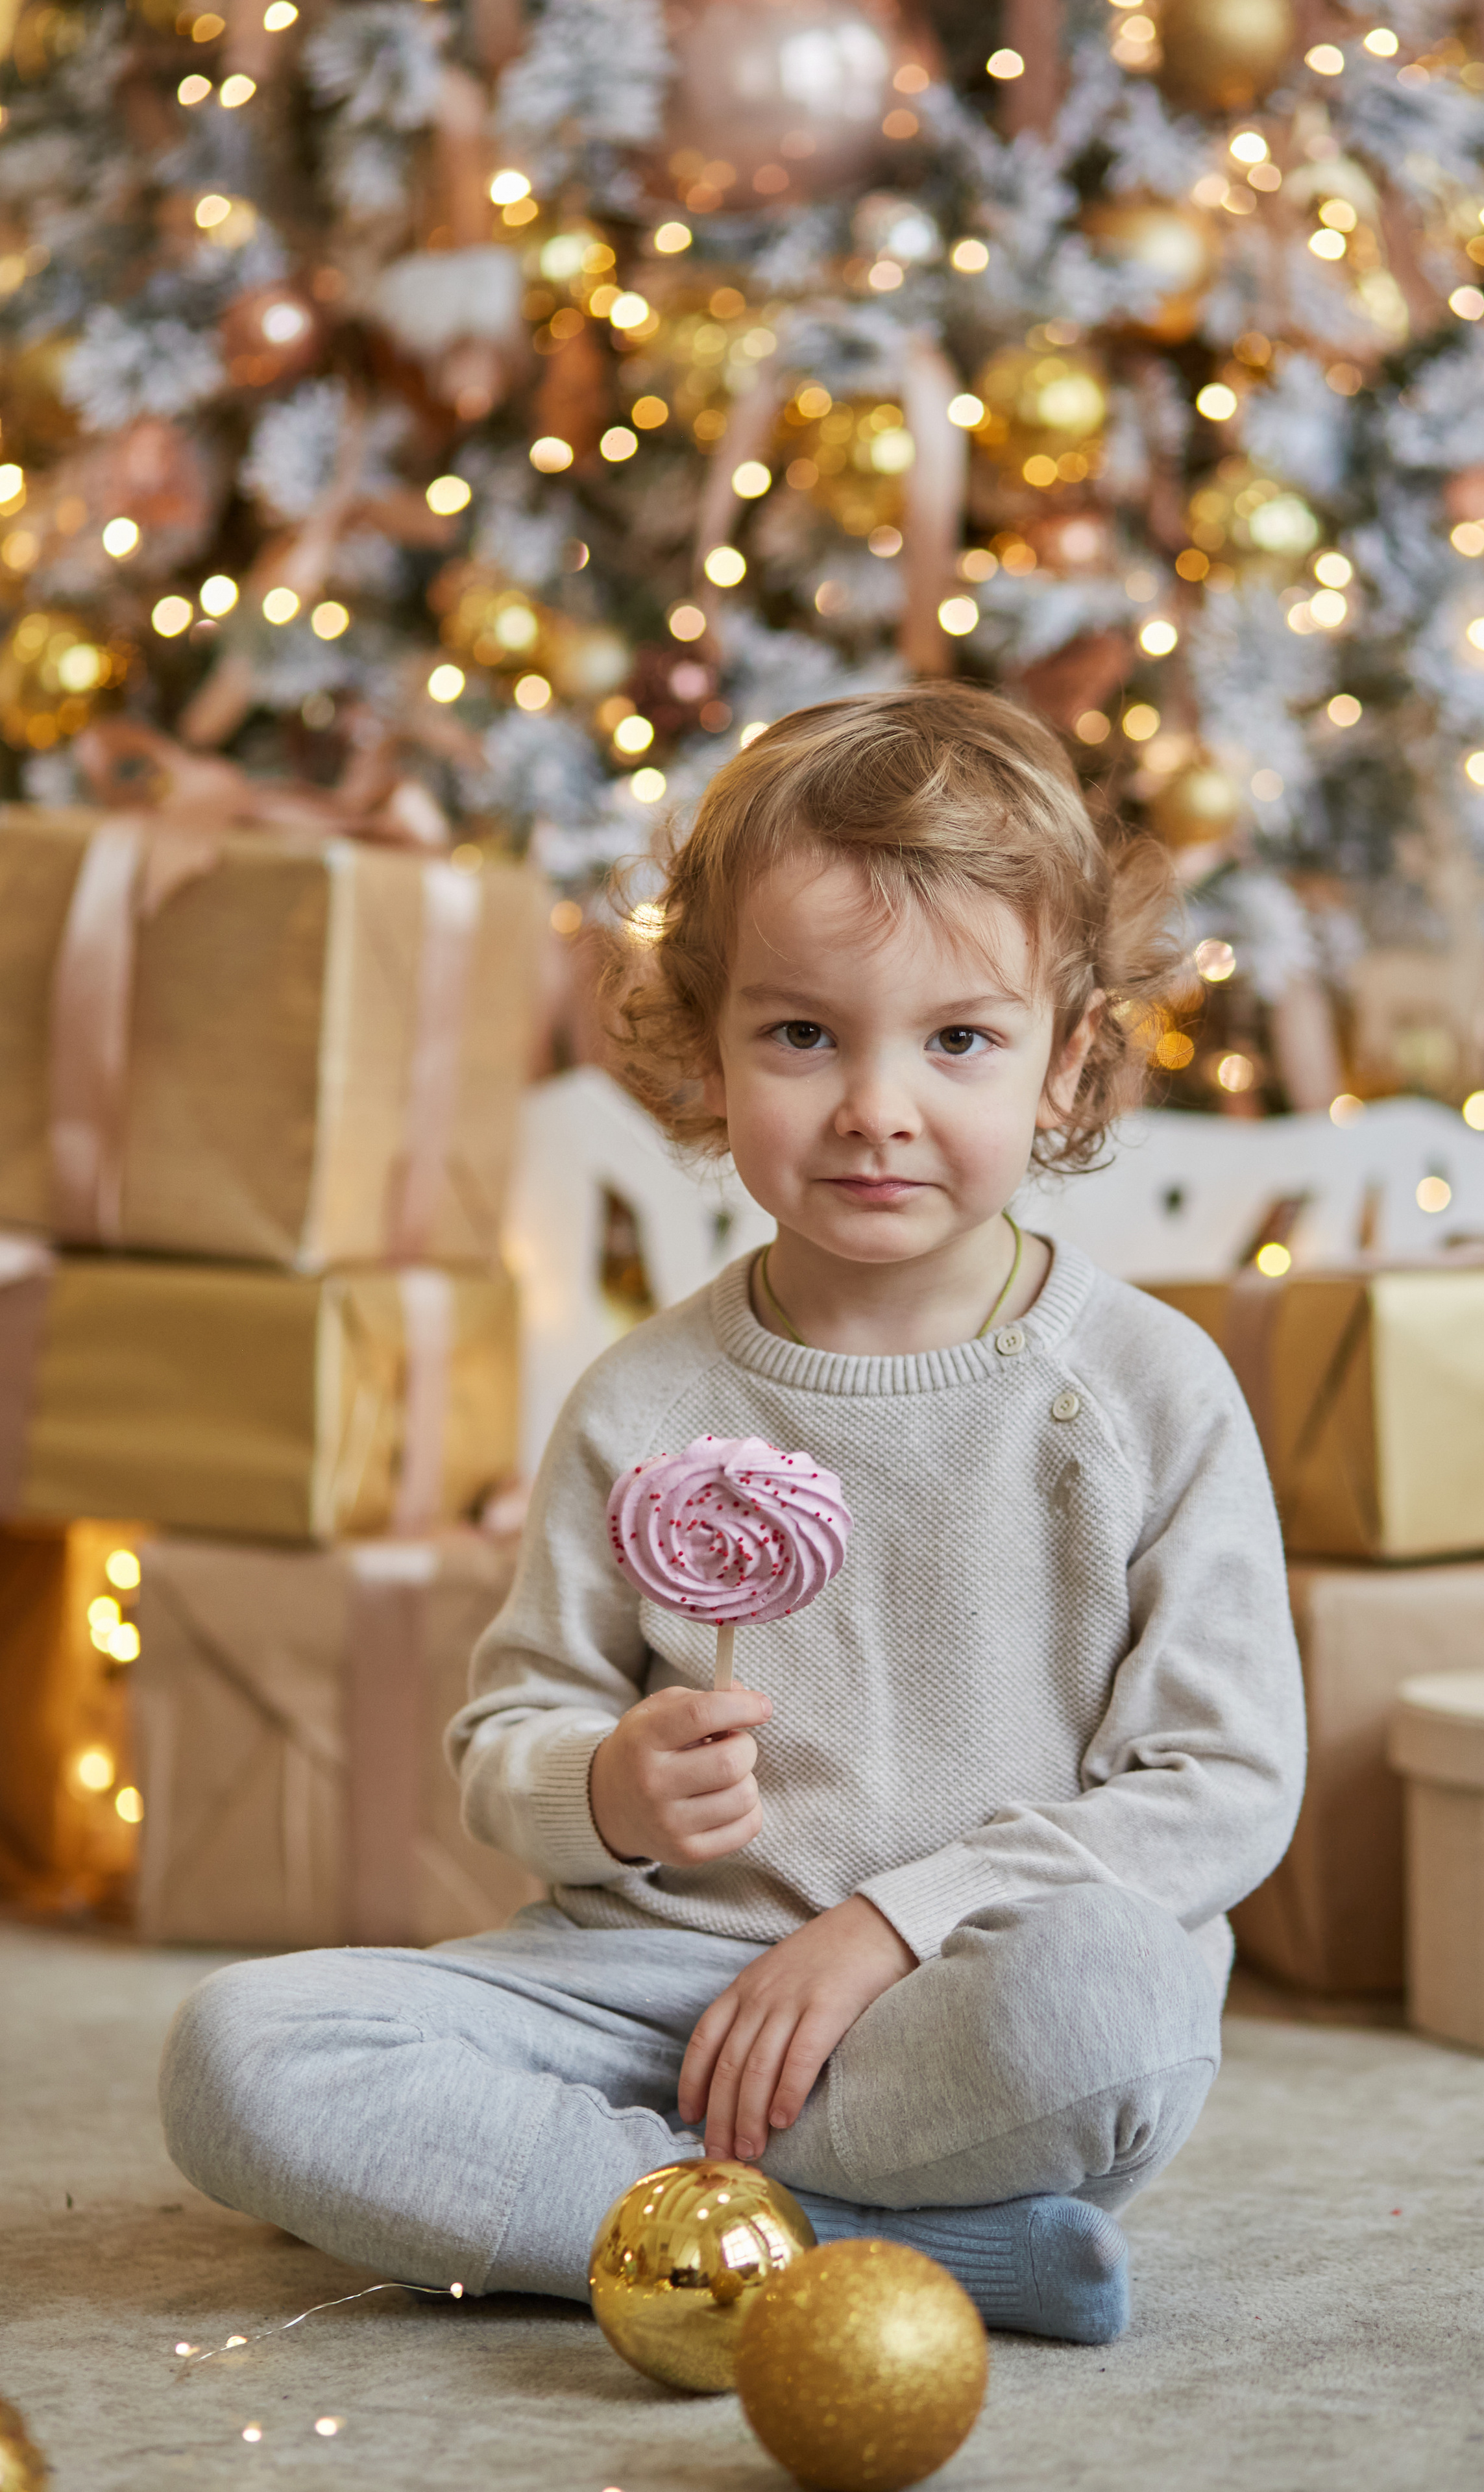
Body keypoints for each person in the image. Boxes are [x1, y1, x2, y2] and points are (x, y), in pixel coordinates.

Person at [160, 683, 1306, 2347]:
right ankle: (862, 2240)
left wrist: (890, 1925)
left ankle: (629, 2210)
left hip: (952, 2002)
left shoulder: (1145, 1388)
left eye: (957, 1041)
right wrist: (606, 1787)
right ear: (706, 1047)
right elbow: (507, 1731)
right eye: (802, 1036)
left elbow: (1219, 1785)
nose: (874, 1106)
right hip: (643, 1992)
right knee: (242, 2057)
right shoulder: (647, 1398)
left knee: (1114, 2001)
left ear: (1065, 1065)